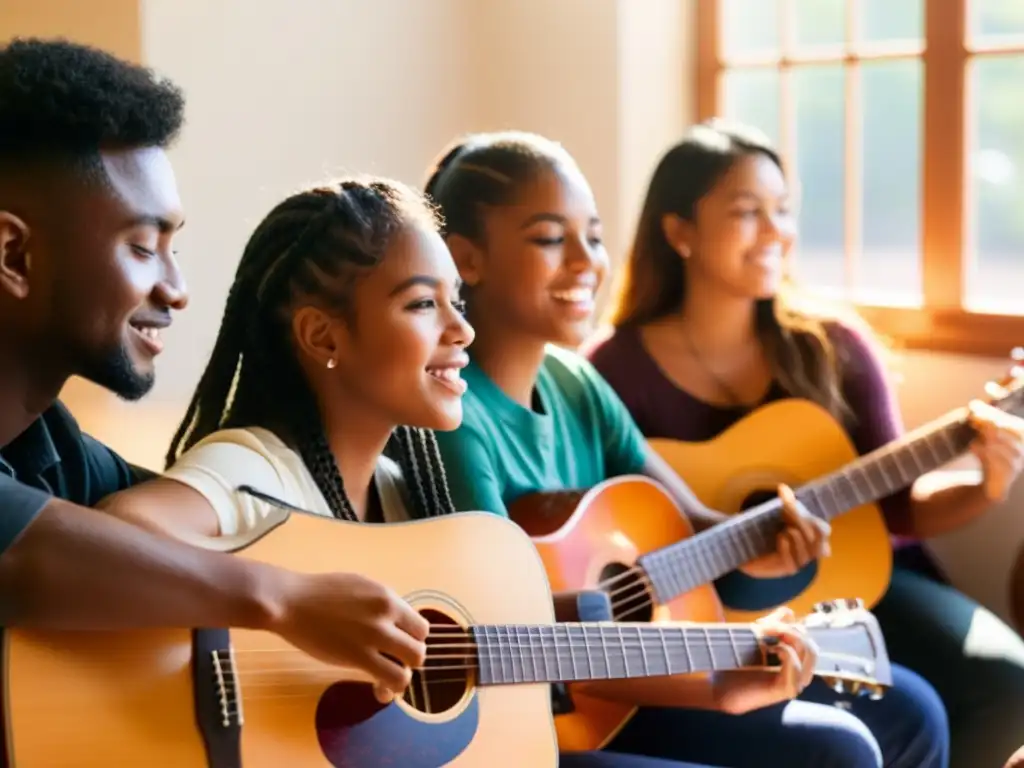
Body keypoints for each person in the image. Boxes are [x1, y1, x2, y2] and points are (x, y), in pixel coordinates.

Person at [95, 174, 807, 768]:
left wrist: (721, 682)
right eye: (422, 304)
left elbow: (511, 652)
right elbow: (116, 536)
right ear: (323, 335)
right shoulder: (254, 468)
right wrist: (286, 600)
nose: (461, 330)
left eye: (456, 302)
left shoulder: (413, 502)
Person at [426, 130, 948, 767]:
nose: (587, 260)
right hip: (551, 706)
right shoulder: (453, 417)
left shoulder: (577, 383)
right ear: (465, 259)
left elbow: (690, 523)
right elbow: (517, 633)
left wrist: (757, 544)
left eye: (593, 235)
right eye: (549, 238)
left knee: (906, 715)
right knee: (840, 753)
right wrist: (716, 679)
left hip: (625, 677)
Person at [0, 38, 430, 709]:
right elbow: (28, 554)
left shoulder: (52, 449)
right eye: (143, 247)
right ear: (14, 255)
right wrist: (283, 600)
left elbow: (227, 535)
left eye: (174, 247)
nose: (177, 289)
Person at [588, 118, 1024, 768]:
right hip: (715, 611)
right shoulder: (612, 371)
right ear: (679, 231)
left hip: (870, 577)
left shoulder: (832, 347)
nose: (775, 232)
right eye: (746, 211)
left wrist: (987, 484)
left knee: (1008, 681)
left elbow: (901, 506)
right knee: (896, 716)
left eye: (783, 210)